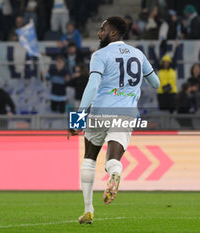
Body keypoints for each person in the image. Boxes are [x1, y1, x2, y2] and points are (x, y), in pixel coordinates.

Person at [69, 16, 159, 224]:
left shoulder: (100, 55)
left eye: (103, 29)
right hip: (126, 114)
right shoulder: (138, 54)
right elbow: (155, 83)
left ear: (113, 33)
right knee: (113, 160)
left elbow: (92, 86)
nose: (99, 33)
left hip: (100, 113)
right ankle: (115, 173)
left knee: (90, 159)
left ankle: (88, 210)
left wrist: (78, 118)